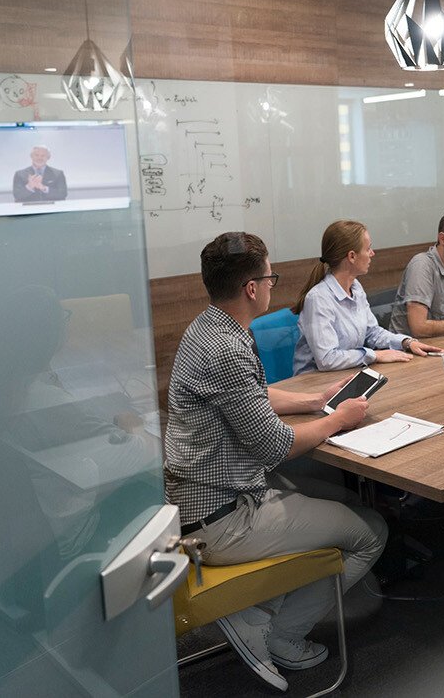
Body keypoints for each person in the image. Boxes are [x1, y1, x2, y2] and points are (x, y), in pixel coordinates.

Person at [164, 232, 388, 691]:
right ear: (251, 288)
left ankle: (259, 609)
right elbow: (273, 446)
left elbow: (249, 395)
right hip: (223, 520)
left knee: (336, 500)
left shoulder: (209, 327)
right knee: (369, 532)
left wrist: (312, 401)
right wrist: (338, 419)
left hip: (201, 503)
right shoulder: (227, 348)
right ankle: (281, 635)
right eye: (270, 277)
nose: (273, 284)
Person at [291, 219, 441, 375]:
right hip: (314, 384)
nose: (372, 253)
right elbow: (327, 359)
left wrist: (406, 342)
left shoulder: (355, 287)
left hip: (347, 374)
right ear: (352, 256)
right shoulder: (318, 298)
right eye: (368, 248)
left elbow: (372, 332)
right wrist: (374, 355)